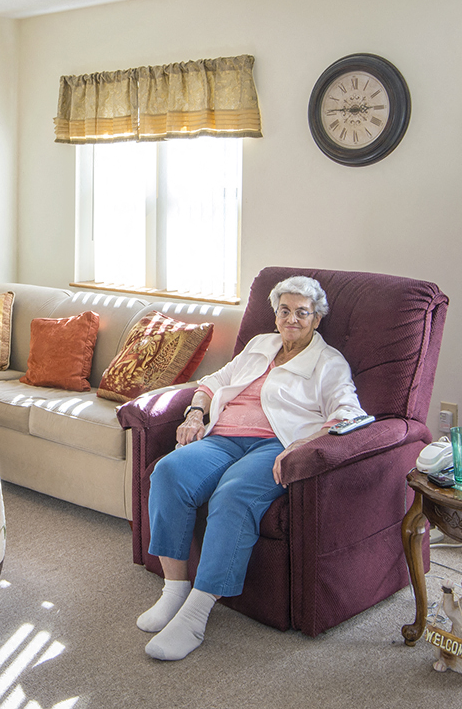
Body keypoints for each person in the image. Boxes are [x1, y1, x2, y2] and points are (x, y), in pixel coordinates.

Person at [138, 275, 365, 661]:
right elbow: (215, 380)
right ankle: (173, 589)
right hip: (222, 437)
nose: (292, 319)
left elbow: (349, 414)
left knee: (233, 495)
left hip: (274, 444)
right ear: (275, 314)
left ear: (317, 318)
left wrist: (301, 445)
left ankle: (194, 616)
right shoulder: (261, 344)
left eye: (302, 312)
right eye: (284, 310)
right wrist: (195, 412)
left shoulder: (328, 363)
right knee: (169, 471)